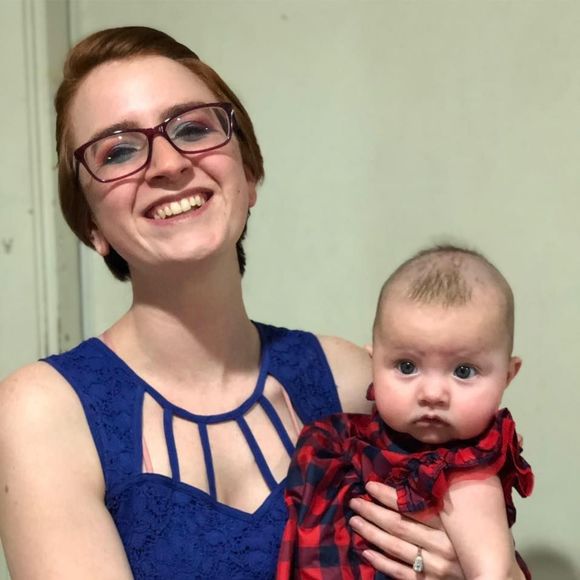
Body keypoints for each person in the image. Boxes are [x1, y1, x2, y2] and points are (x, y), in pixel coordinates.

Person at [0, 25, 519, 580]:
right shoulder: (43, 413)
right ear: (91, 225)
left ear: (248, 174)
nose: (168, 163)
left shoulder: (354, 380)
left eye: (193, 128)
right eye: (119, 150)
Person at [277, 245, 534, 579]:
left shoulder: (467, 469)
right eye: (407, 366)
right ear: (373, 362)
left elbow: (492, 572)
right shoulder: (337, 441)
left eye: (464, 371)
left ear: (507, 376)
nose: (432, 394)